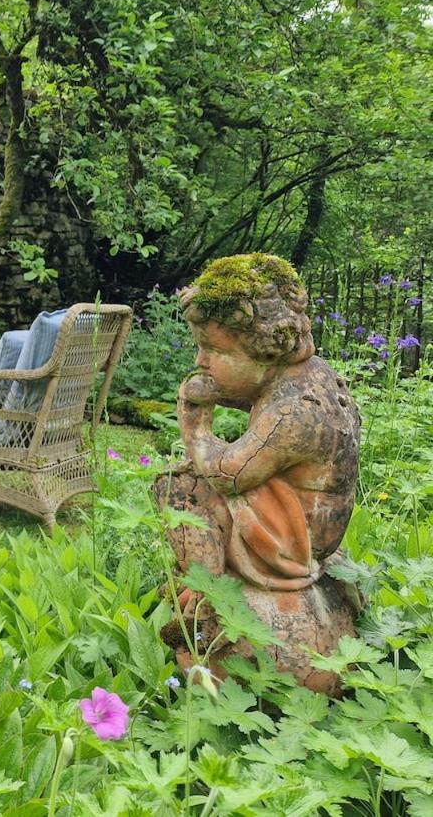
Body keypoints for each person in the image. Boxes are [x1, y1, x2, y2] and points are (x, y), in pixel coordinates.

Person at [156, 254, 361, 692]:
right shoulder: (313, 379)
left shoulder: (293, 413)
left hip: (290, 543)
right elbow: (254, 394)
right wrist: (219, 393)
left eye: (215, 350)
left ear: (266, 350)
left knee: (180, 486)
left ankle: (204, 595)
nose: (201, 359)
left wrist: (195, 426)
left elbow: (230, 474)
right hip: (313, 529)